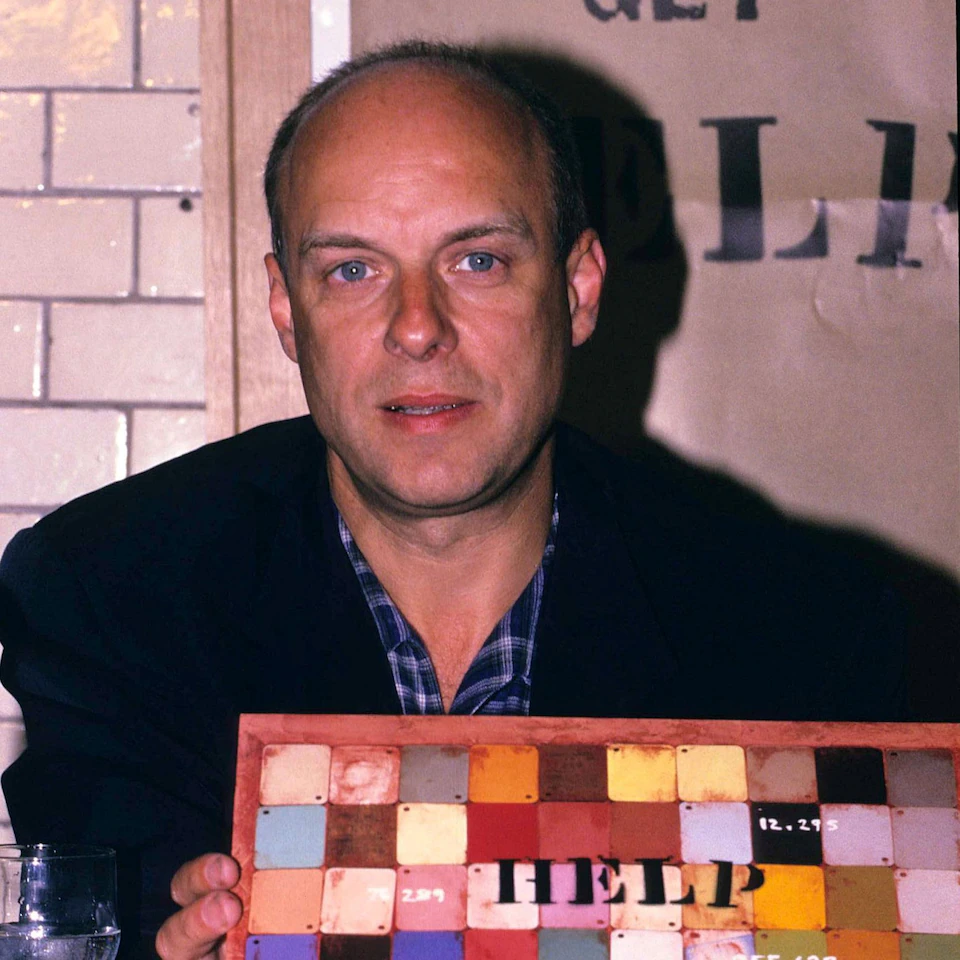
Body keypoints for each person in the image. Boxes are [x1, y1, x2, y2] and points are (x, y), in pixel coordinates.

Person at [0, 41, 950, 960]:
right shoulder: (110, 598)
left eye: (478, 261)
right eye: (353, 270)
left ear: (577, 290)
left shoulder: (808, 633)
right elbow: (109, 912)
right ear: (286, 309)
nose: (417, 328)